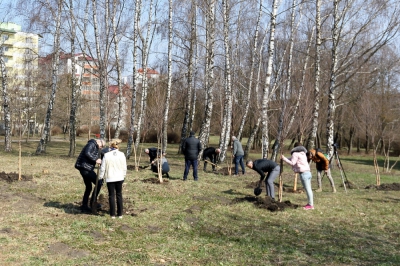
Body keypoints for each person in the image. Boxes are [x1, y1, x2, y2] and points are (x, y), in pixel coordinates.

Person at [99, 139, 127, 219]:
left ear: (110, 146)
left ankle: (112, 214)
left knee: (111, 195)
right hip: (119, 177)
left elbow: (103, 168)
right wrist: (123, 176)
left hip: (110, 178)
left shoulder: (106, 155)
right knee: (119, 194)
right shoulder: (122, 154)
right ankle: (120, 213)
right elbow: (124, 167)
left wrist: (101, 177)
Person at [75, 138, 105, 213]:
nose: (101, 147)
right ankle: (93, 203)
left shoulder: (95, 146)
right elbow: (87, 153)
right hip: (85, 168)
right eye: (102, 146)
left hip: (85, 168)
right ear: (99, 141)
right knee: (99, 182)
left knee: (89, 187)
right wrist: (96, 159)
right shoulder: (91, 144)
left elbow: (101, 154)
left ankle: (84, 206)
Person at [281, 142, 314, 210]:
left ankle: (311, 205)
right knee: (309, 190)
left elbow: (293, 162)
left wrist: (284, 159)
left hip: (303, 174)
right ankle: (310, 204)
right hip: (308, 173)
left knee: (308, 190)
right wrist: (285, 158)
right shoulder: (303, 153)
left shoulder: (295, 153)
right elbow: (292, 159)